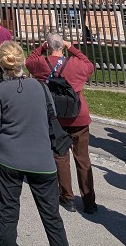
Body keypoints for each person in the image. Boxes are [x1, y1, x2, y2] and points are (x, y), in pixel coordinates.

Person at [0, 41, 69, 246]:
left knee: (8, 211)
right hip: (41, 159)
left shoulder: (0, 91)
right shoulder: (40, 87)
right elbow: (52, 115)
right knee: (51, 216)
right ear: (22, 61)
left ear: (2, 64)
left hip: (9, 158)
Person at [26, 30, 96, 214]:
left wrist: (42, 47)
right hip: (78, 115)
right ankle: (89, 201)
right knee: (83, 159)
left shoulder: (42, 64)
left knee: (60, 157)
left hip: (56, 116)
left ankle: (67, 197)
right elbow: (89, 65)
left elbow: (29, 61)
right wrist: (72, 48)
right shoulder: (76, 64)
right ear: (63, 46)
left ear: (48, 45)